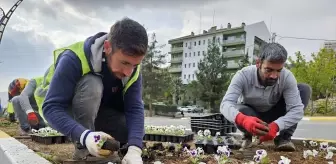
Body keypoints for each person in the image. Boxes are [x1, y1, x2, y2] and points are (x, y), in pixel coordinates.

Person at [42, 17, 147, 163]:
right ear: (107, 47)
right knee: (93, 84)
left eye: (135, 65)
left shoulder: (132, 70)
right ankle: (85, 151)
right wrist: (85, 136)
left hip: (101, 114)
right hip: (68, 113)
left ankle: (115, 149)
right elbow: (51, 108)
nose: (128, 72)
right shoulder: (73, 59)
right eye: (124, 62)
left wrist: (135, 148)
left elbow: (134, 108)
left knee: (132, 131)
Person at [220, 43, 312, 151]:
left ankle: (284, 139)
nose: (274, 76)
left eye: (278, 70)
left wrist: (276, 126)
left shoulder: (287, 77)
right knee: (240, 109)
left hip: (276, 114)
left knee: (304, 89)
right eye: (269, 70)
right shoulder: (243, 75)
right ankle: (248, 136)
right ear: (258, 63)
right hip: (252, 115)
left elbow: (297, 110)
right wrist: (243, 119)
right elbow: (225, 105)